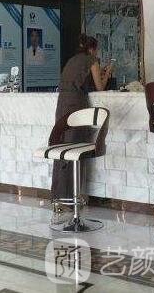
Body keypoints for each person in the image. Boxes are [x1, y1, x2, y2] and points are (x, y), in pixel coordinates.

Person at [50, 35, 113, 216]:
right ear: (93, 49)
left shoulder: (72, 60)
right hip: (76, 106)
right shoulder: (92, 60)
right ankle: (71, 200)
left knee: (61, 150)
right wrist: (108, 72)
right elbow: (100, 87)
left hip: (62, 105)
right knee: (74, 149)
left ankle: (58, 198)